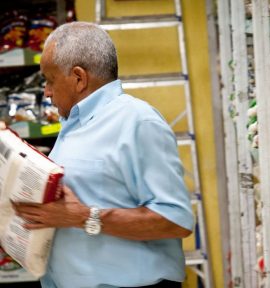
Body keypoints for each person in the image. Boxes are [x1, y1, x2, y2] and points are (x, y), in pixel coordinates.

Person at [12, 21, 194, 288]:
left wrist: (83, 217)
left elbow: (175, 221)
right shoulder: (73, 124)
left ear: (78, 78)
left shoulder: (138, 122)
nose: (47, 92)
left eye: (50, 81)